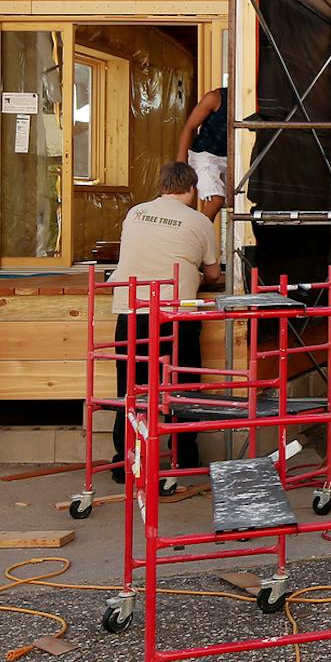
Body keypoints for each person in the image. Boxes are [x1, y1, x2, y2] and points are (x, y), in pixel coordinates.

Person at [108, 161, 223, 480]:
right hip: (176, 313)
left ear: (162, 186)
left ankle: (126, 461)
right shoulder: (199, 221)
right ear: (192, 188)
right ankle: (184, 458)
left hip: (132, 311)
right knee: (183, 387)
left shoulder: (135, 213)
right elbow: (212, 274)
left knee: (131, 388)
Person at [177, 85, 231, 222]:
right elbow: (190, 127)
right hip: (205, 155)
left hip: (231, 158)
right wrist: (181, 163)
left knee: (236, 201)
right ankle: (194, 239)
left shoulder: (250, 102)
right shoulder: (215, 98)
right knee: (216, 199)